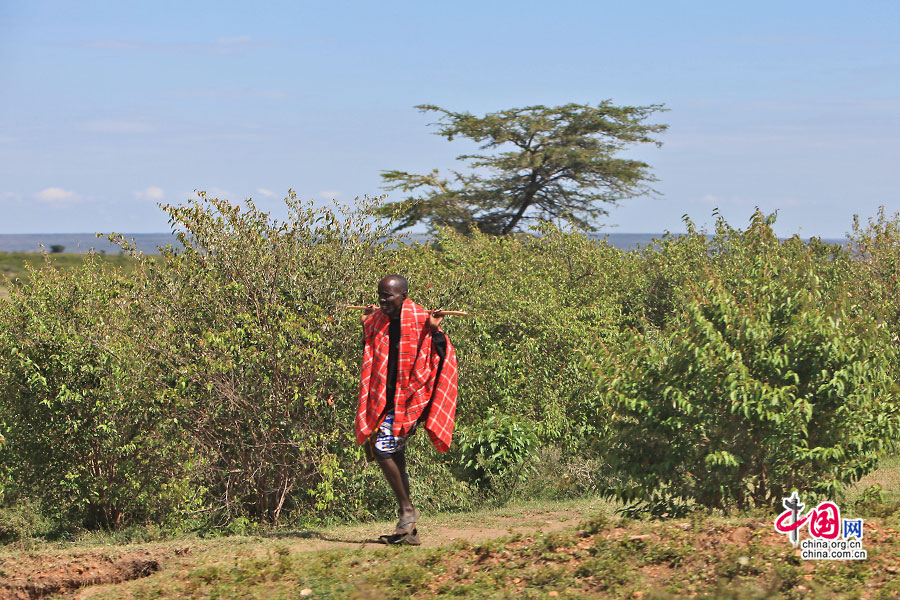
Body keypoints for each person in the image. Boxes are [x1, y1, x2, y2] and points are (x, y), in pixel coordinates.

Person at [355, 274, 458, 545]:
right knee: (394, 453)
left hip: (412, 400)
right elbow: (372, 344)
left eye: (387, 296)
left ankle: (407, 512)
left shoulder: (420, 320)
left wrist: (435, 330)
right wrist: (368, 321)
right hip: (387, 401)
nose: (382, 300)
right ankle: (408, 527)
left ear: (403, 296)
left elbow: (441, 353)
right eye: (380, 294)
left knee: (382, 449)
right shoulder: (380, 321)